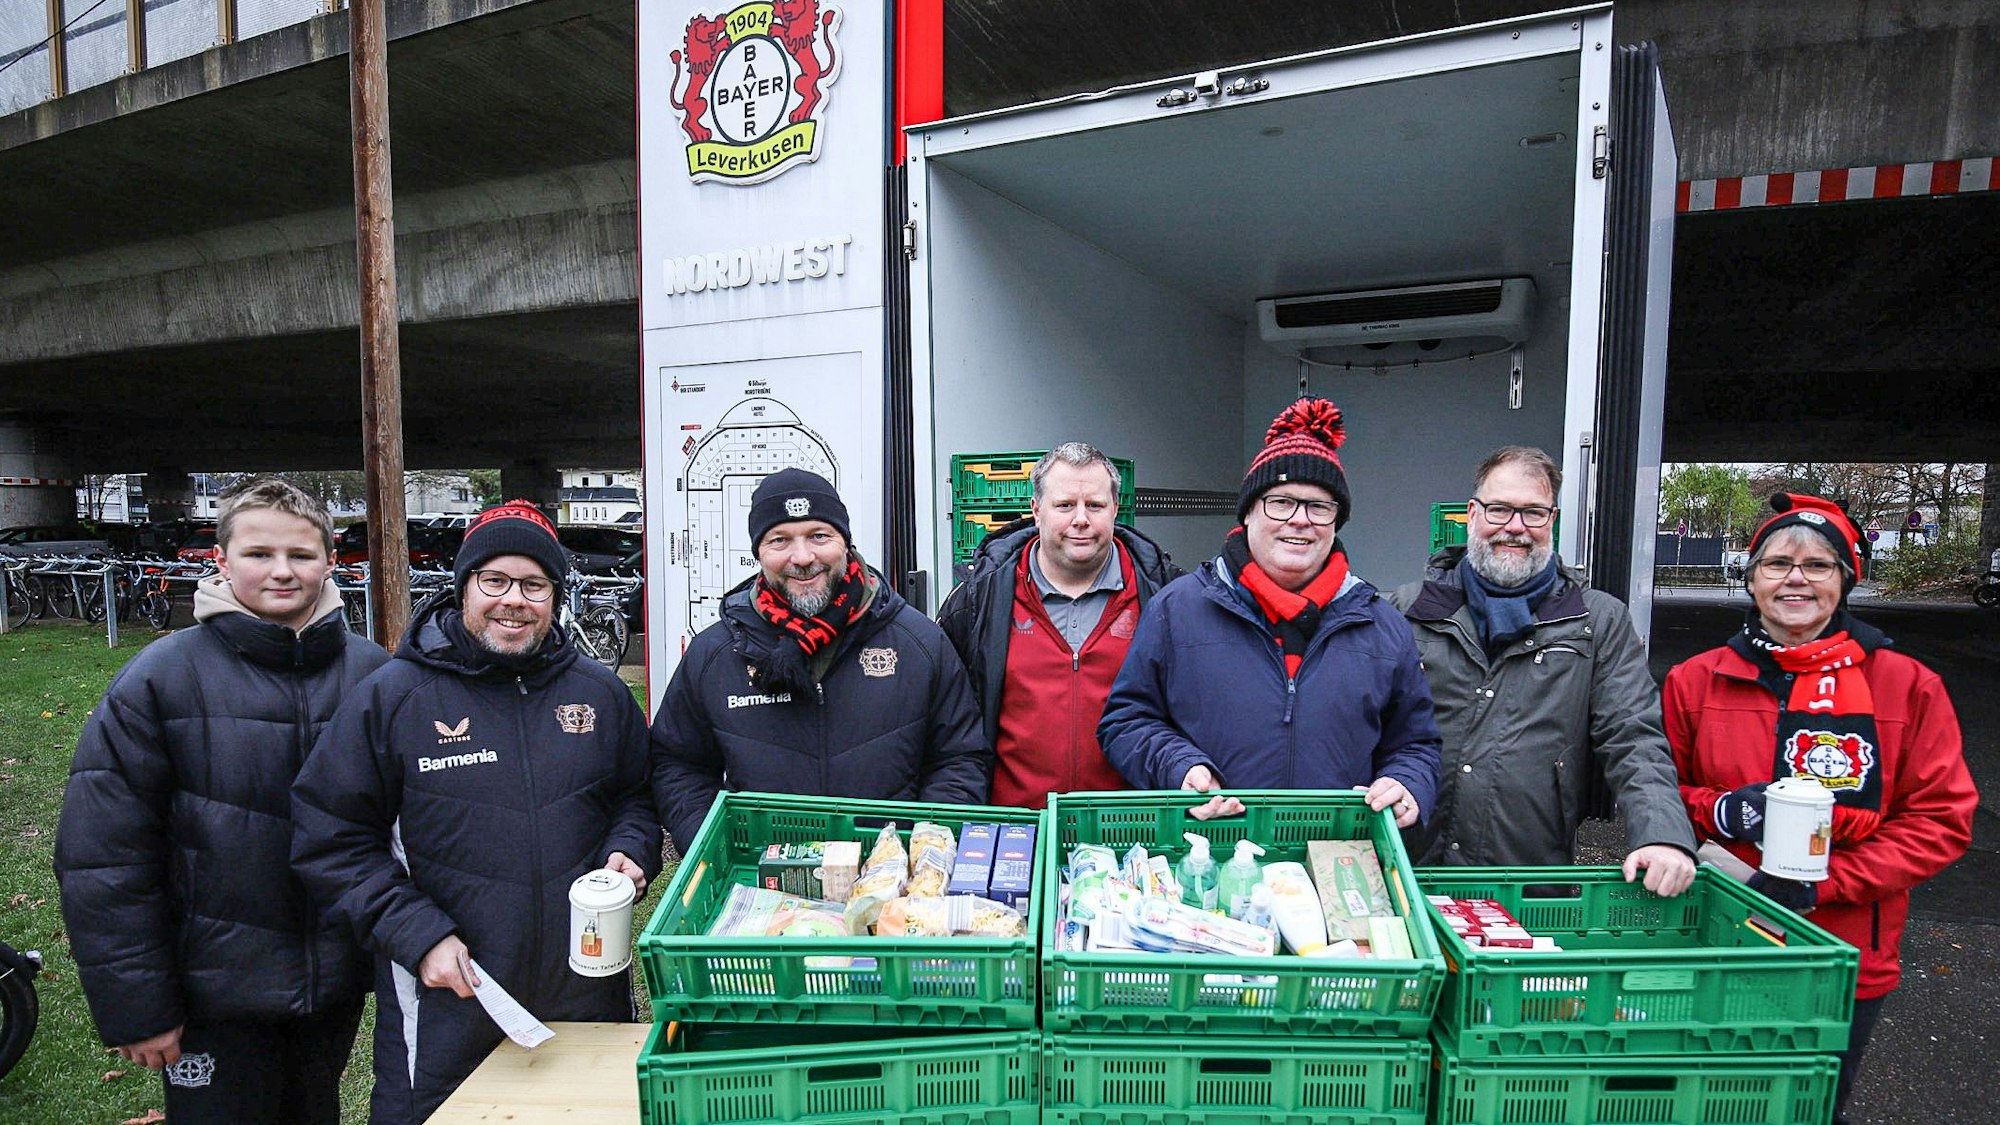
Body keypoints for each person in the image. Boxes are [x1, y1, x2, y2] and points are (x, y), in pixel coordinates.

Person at [291, 500, 659, 1125]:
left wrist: (633, 847)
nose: (513, 600)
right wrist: (417, 934)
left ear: (556, 596)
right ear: (464, 588)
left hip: (585, 985)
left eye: (534, 585)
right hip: (448, 995)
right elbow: (330, 837)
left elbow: (636, 795)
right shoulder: (394, 696)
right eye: (495, 581)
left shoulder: (598, 692)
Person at [54, 479, 388, 1124]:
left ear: (331, 561)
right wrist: (139, 1006)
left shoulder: (371, 673)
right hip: (213, 995)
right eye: (259, 553)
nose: (282, 572)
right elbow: (104, 858)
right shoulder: (161, 677)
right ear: (221, 559)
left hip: (335, 986)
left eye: (301, 554)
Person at [1663, 493, 1976, 1123]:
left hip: (1843, 949)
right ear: (1750, 579)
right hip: (1719, 935)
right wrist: (1724, 812)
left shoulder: (1906, 684)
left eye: (1819, 565)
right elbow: (1655, 792)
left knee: (1809, 1106)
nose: (1796, 578)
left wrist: (1816, 884)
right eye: (1777, 563)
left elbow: (1940, 820)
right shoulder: (1695, 679)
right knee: (1703, 1102)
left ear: (1846, 579)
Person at [1099, 397, 1440, 824]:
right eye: (1280, 502)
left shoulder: (1382, 625)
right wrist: (1178, 768)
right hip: (1207, 855)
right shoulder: (1178, 609)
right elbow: (1126, 721)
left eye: (1320, 506)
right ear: (1248, 514)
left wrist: (1406, 783)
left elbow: (1415, 745)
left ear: (1336, 521)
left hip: (1336, 862)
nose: (1300, 520)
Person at [1390, 447, 1695, 894]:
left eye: (1532, 512)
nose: (1515, 527)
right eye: (1499, 509)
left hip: (1529, 880)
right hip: (1406, 865)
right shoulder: (1406, 609)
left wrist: (1663, 833)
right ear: (1472, 515)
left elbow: (1633, 735)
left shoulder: (1595, 620)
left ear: (1551, 520)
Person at [651, 468, 990, 849]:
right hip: (761, 884)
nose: (803, 557)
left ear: (845, 542)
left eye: (819, 536)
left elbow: (959, 760)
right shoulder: (716, 654)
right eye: (780, 540)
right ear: (758, 553)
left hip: (890, 884)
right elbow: (678, 765)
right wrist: (717, 845)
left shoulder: (919, 642)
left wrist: (918, 851)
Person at [937, 443, 1183, 809]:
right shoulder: (977, 602)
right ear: (1036, 511)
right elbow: (948, 728)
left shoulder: (1166, 597)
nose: (1080, 519)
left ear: (1115, 510)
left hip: (1130, 832)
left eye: (1095, 505)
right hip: (1017, 830)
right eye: (1065, 505)